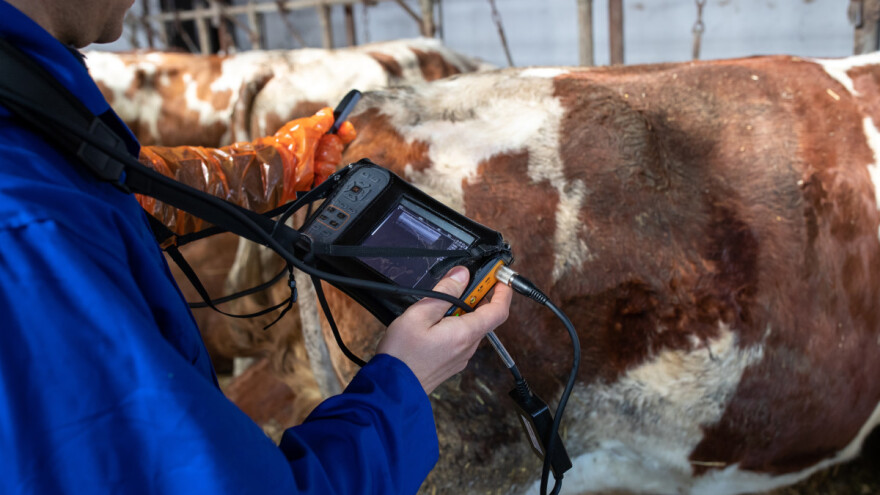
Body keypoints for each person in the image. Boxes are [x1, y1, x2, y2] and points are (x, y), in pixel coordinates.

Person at [0, 0, 512, 493]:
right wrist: (402, 383)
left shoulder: (23, 97)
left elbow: (91, 185)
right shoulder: (32, 235)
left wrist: (265, 170)